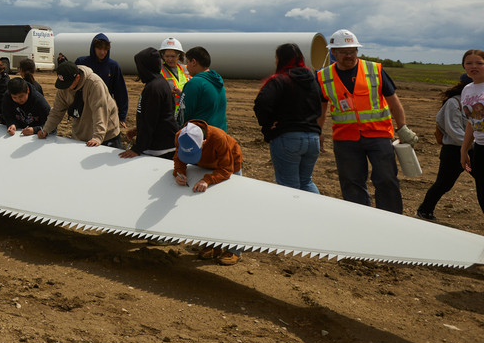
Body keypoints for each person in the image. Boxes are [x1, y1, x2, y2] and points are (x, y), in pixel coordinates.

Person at [316, 29, 417, 214]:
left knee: (386, 179)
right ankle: (361, 219)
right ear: (333, 53)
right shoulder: (323, 77)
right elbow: (321, 109)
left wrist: (402, 127)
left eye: (352, 50)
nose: (349, 55)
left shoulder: (374, 70)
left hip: (378, 135)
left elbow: (393, 101)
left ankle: (391, 218)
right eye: (344, 51)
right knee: (351, 183)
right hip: (345, 139)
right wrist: (319, 132)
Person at [253, 43, 323, 194]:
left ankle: (293, 216)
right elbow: (319, 105)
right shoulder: (312, 80)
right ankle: (316, 213)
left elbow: (261, 103)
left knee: (288, 186)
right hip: (313, 138)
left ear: (280, 59)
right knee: (306, 181)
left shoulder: (280, 80)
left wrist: (268, 126)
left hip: (288, 138)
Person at [173, 121, 244, 265]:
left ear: (204, 141)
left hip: (229, 166)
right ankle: (213, 246)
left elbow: (226, 169)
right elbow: (178, 158)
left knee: (231, 208)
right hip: (204, 166)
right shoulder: (181, 136)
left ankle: (235, 250)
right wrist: (179, 172)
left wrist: (208, 180)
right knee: (209, 208)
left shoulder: (218, 138)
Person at [416, 72, 472, 220]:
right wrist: (474, 144)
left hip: (473, 151)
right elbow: (455, 132)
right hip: (454, 153)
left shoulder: (477, 103)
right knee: (444, 183)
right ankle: (425, 210)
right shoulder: (454, 103)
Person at [38, 61, 122, 147]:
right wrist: (46, 129)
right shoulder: (64, 87)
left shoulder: (94, 84)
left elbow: (99, 111)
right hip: (82, 134)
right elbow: (56, 111)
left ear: (77, 77)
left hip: (106, 135)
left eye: (68, 84)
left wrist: (97, 137)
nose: (65, 88)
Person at [120, 48, 178, 159]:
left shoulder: (153, 88)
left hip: (160, 148)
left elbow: (149, 122)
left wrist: (137, 148)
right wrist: (139, 130)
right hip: (164, 143)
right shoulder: (159, 82)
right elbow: (157, 115)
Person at [76, 34, 128, 125]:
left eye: (105, 49)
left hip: (105, 109)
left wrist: (122, 116)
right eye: (99, 49)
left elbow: (120, 92)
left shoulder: (113, 66)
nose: (102, 52)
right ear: (93, 48)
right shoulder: (82, 63)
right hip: (84, 110)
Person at [457, 50, 484, 216]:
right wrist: (464, 150)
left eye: (479, 63)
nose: (474, 66)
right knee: (482, 196)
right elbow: (471, 122)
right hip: (480, 147)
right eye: (469, 63)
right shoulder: (467, 90)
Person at [179, 46, 227, 131]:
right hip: (219, 136)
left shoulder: (195, 83)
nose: (186, 67)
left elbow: (183, 115)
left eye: (187, 62)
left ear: (194, 62)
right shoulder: (217, 80)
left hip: (201, 138)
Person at [159, 37, 190, 121]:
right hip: (167, 114)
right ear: (162, 56)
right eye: (167, 56)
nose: (170, 59)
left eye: (173, 56)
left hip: (185, 113)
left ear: (179, 56)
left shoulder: (186, 69)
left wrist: (182, 94)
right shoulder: (158, 71)